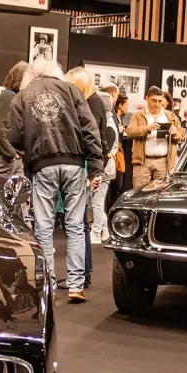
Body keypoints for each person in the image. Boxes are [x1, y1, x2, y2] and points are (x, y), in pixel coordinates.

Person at [6, 58, 103, 304]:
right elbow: (89, 129)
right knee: (75, 226)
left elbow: (13, 135)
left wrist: (29, 146)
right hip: (74, 164)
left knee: (44, 227)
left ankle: (47, 284)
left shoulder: (23, 96)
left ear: (33, 75)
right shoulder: (72, 91)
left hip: (43, 166)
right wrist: (95, 167)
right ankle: (76, 285)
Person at [66, 67, 115, 246]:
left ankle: (97, 233)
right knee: (90, 205)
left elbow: (92, 137)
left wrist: (94, 170)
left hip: (92, 162)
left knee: (92, 205)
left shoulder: (92, 102)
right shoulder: (92, 101)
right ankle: (100, 232)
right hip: (94, 161)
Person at [126, 86, 185, 189]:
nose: (157, 104)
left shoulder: (170, 116)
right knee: (140, 193)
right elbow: (130, 132)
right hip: (143, 162)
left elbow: (182, 134)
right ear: (147, 98)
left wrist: (175, 133)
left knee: (161, 194)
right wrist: (147, 129)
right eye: (153, 101)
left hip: (163, 162)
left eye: (159, 101)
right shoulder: (138, 115)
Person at [0, 61, 26, 182]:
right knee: (0, 191)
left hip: (11, 158)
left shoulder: (15, 98)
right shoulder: (8, 97)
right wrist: (11, 154)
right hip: (3, 159)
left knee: (20, 192)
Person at [106, 91, 133, 209]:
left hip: (119, 155)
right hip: (114, 155)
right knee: (114, 186)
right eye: (126, 105)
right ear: (120, 105)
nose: (127, 107)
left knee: (118, 186)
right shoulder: (113, 119)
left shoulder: (120, 119)